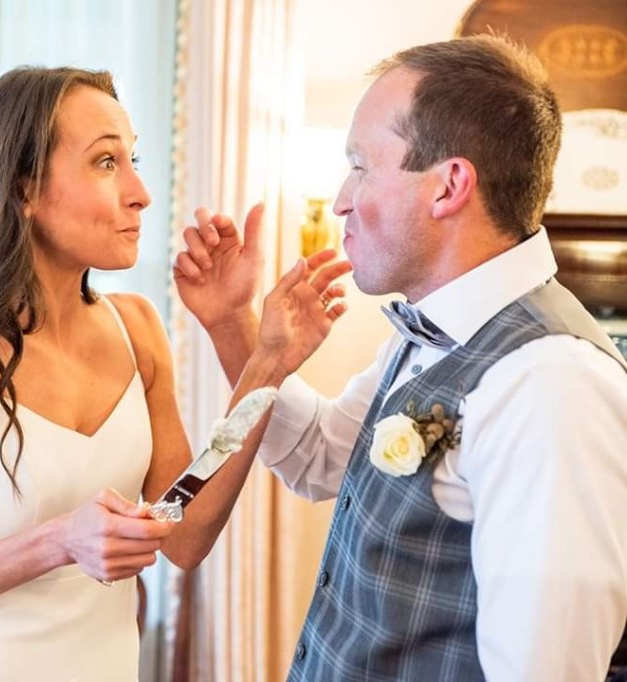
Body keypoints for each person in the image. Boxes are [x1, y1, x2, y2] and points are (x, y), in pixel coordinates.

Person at [174, 34, 627, 681]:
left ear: (449, 187)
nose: (340, 199)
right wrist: (231, 323)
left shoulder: (550, 384)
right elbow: (320, 456)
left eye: (361, 166)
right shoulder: (433, 329)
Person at [0, 66, 268, 681]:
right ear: (23, 190)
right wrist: (57, 542)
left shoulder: (138, 329)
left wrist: (260, 355)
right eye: (107, 162)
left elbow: (182, 536)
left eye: (133, 159)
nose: (140, 193)